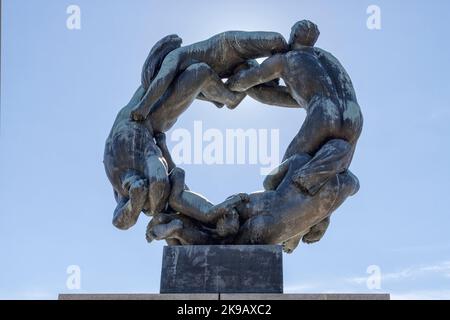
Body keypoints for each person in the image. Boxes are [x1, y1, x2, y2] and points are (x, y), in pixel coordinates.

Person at [104, 35, 248, 230]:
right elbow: (161, 182)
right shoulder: (139, 165)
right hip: (141, 129)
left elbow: (122, 219)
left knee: (198, 73)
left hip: (139, 124)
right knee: (199, 73)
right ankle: (225, 98)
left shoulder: (127, 178)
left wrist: (136, 202)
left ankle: (227, 98)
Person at [129, 30, 289, 120]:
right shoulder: (183, 78)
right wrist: (223, 97)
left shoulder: (173, 56)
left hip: (228, 46)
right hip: (235, 67)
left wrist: (143, 106)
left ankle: (296, 55)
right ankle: (280, 78)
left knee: (276, 41)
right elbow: (217, 101)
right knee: (249, 93)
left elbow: (161, 80)